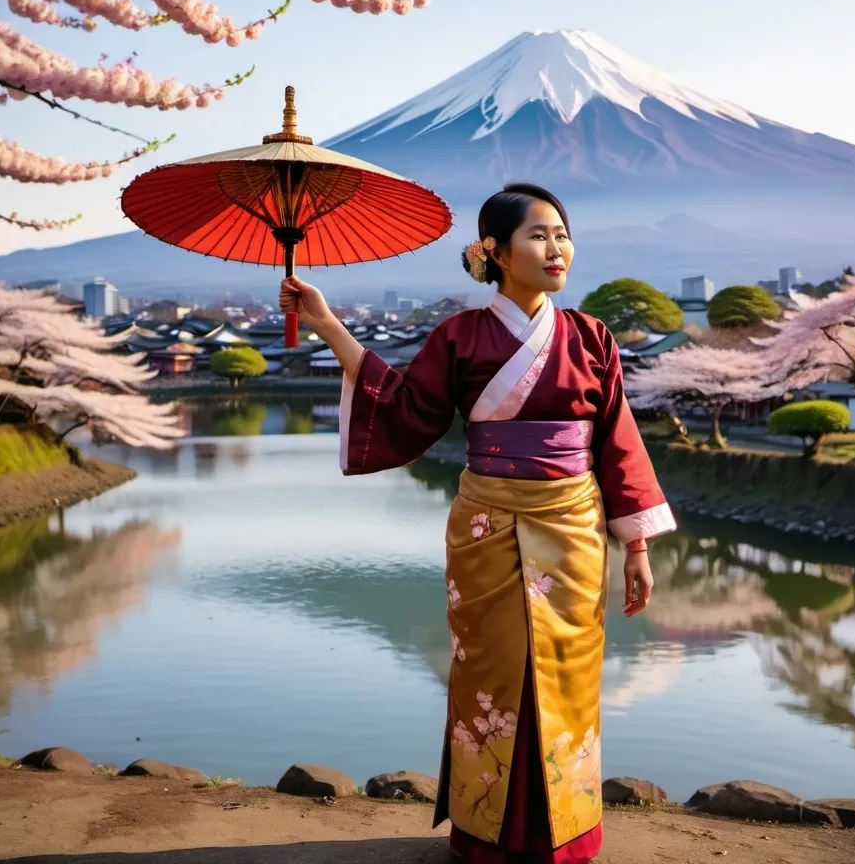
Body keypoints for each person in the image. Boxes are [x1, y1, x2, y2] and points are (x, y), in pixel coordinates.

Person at [280, 182, 676, 864]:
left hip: (575, 528)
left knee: (569, 671)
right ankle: (486, 830)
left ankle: (567, 832)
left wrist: (635, 543)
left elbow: (617, 442)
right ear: (493, 251)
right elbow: (401, 406)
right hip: (487, 525)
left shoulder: (591, 337)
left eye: (562, 234)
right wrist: (324, 322)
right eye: (537, 235)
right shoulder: (458, 337)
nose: (556, 249)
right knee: (489, 675)